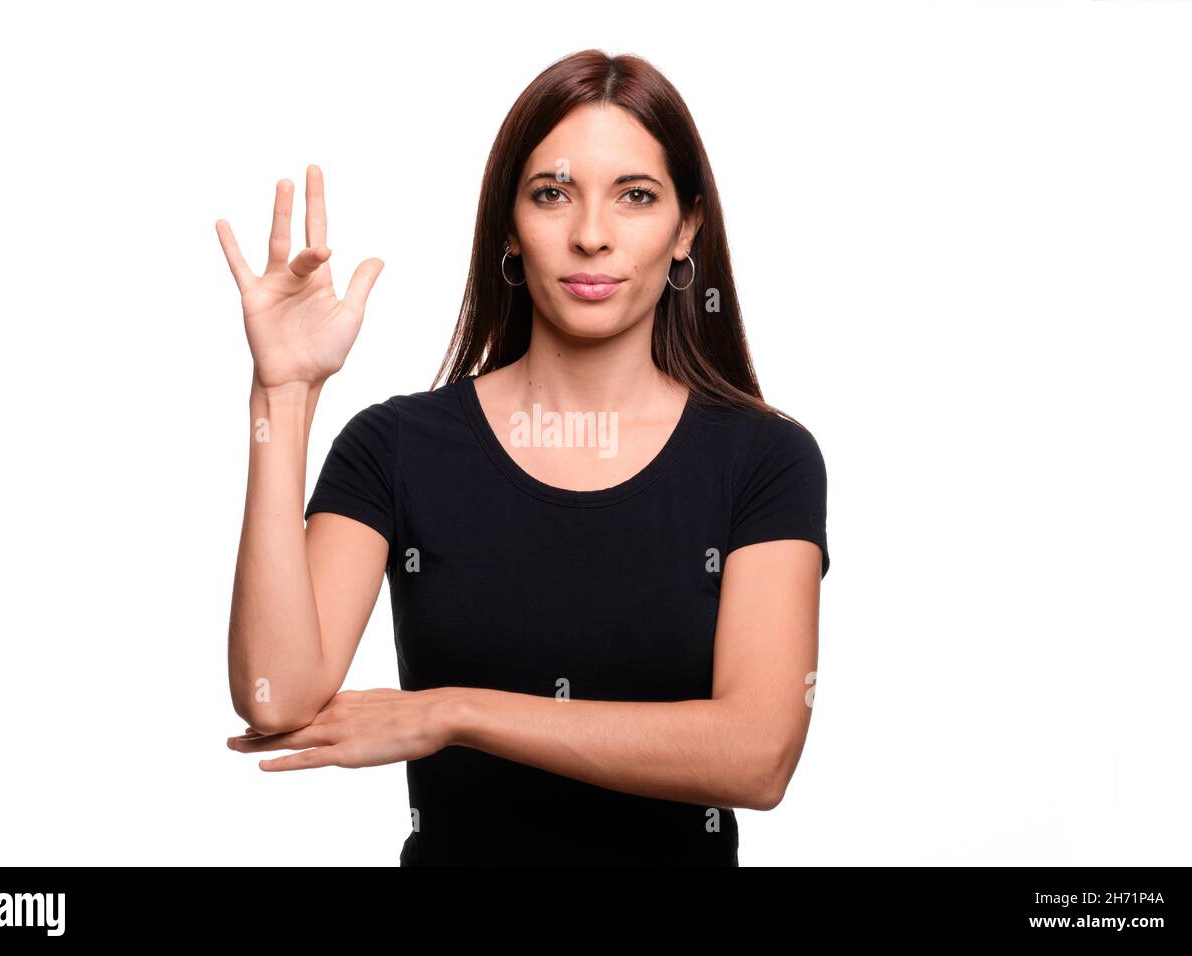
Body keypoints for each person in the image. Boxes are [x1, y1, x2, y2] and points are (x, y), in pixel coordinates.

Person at [217, 49, 829, 867]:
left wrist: (452, 714)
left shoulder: (762, 458)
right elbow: (276, 698)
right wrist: (283, 395)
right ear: (509, 224)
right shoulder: (396, 447)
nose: (590, 235)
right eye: (552, 194)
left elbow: (757, 757)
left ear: (687, 230)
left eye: (635, 197)